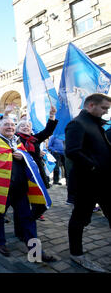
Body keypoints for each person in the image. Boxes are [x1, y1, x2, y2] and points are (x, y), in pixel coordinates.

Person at [0, 117, 55, 262]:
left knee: (28, 218)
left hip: (20, 188)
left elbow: (27, 158)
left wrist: (22, 156)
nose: (10, 127)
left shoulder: (17, 141)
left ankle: (35, 250)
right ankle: (0, 241)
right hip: (2, 189)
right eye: (6, 124)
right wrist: (11, 155)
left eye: (13, 125)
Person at [65, 93, 111, 273]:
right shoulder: (77, 124)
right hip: (87, 183)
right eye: (104, 108)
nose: (106, 112)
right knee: (79, 218)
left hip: (105, 182)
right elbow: (72, 151)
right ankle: (76, 254)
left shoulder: (96, 123)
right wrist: (94, 167)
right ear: (91, 105)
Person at [14, 106, 58, 224]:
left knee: (41, 203)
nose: (26, 127)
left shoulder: (35, 139)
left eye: (28, 126)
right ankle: (24, 224)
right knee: (23, 202)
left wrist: (52, 116)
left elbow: (48, 131)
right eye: (22, 126)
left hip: (37, 172)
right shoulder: (15, 140)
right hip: (23, 174)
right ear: (17, 129)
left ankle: (29, 219)